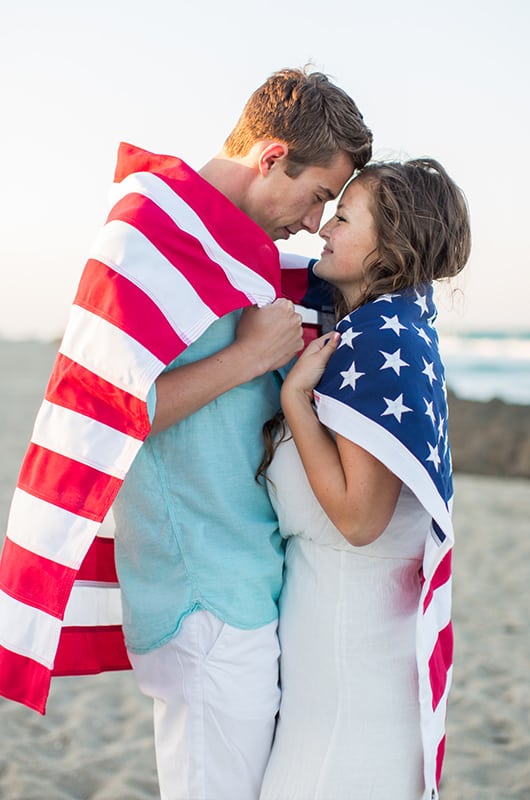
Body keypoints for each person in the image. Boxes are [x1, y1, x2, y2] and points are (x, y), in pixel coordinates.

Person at [0, 66, 372, 800]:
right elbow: (98, 416)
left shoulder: (236, 250)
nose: (311, 223)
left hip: (245, 574)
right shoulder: (146, 237)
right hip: (198, 591)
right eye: (318, 196)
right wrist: (247, 359)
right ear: (270, 157)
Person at [258, 158, 471, 800]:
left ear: (391, 243)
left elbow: (359, 519)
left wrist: (297, 400)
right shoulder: (387, 329)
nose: (322, 227)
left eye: (344, 217)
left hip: (351, 664)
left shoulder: (380, 342)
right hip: (339, 654)